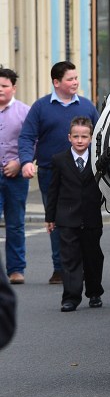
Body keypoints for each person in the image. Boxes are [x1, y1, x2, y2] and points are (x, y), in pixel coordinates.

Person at [18, 61, 99, 285]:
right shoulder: (41, 107)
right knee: (57, 220)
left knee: (86, 222)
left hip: (85, 174)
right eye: (70, 79)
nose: (75, 82)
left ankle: (83, 266)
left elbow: (101, 136)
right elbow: (26, 137)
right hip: (50, 173)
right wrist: (26, 161)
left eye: (76, 78)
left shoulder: (86, 107)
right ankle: (60, 268)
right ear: (56, 82)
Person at [44, 117, 103, 312]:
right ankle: (70, 297)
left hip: (91, 217)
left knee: (93, 257)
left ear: (91, 138)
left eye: (84, 136)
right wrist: (50, 217)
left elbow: (106, 187)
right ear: (69, 137)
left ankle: (94, 293)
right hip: (67, 218)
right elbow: (53, 190)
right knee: (69, 259)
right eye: (76, 136)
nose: (80, 140)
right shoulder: (59, 160)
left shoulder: (98, 160)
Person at [0, 69, 30, 285]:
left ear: (13, 88)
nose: (0, 90)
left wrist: (19, 162)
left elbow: (32, 140)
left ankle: (16, 270)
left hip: (15, 176)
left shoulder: (24, 112)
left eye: (4, 86)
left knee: (15, 224)